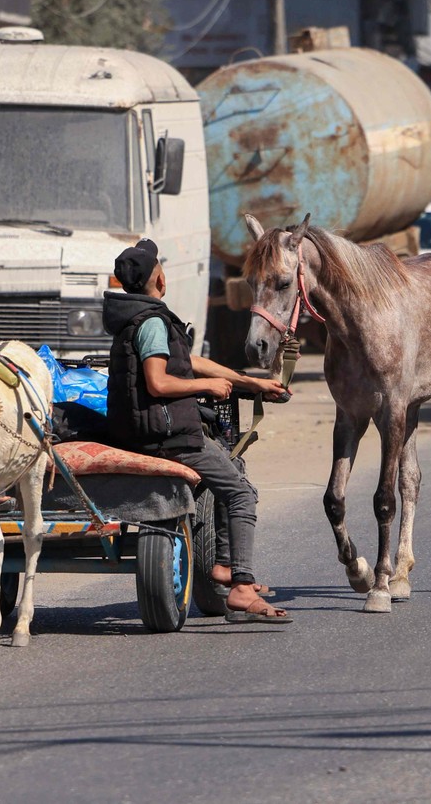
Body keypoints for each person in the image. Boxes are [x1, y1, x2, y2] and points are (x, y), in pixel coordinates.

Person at [103, 239, 292, 623]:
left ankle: (225, 566)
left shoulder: (138, 318)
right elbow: (158, 383)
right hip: (167, 437)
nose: (163, 271)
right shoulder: (153, 322)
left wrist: (249, 383)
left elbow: (190, 360)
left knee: (229, 470)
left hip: (145, 430)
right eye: (160, 266)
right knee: (241, 495)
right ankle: (241, 586)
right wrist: (204, 388)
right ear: (156, 276)